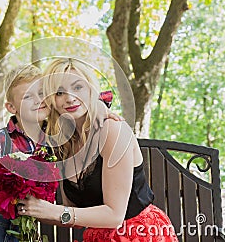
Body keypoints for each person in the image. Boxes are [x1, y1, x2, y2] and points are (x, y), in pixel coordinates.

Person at [0, 64, 118, 242]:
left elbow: (86, 98)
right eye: (28, 97)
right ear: (12, 108)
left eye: (42, 93)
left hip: (23, 226)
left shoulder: (56, 138)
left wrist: (100, 106)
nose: (38, 100)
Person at [17, 58, 178, 241]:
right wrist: (35, 209)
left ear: (92, 90)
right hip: (96, 236)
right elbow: (75, 216)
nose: (70, 98)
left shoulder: (112, 130)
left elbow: (115, 216)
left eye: (78, 87)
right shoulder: (63, 144)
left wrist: (53, 210)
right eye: (59, 92)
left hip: (137, 233)